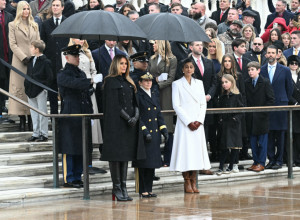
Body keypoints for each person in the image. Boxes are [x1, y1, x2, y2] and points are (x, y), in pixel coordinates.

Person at [57, 44, 102, 188]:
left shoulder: (81, 73)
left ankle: (77, 176)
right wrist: (90, 81)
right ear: (67, 57)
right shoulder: (63, 74)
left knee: (80, 147)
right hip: (70, 114)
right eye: (74, 56)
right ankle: (68, 178)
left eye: (78, 56)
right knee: (69, 147)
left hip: (83, 112)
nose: (77, 58)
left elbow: (86, 92)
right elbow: (74, 84)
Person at [101, 54, 145, 201]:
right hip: (116, 125)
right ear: (115, 65)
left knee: (125, 157)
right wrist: (128, 117)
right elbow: (114, 105)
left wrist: (136, 116)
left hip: (129, 125)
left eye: (126, 64)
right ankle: (117, 187)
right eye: (121, 64)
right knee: (116, 157)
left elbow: (135, 102)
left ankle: (124, 186)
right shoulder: (110, 81)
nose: (124, 66)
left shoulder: (129, 81)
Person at [170, 58, 210, 193]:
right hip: (184, 124)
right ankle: (187, 180)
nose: (188, 69)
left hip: (198, 123)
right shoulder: (177, 84)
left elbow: (203, 103)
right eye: (186, 67)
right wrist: (188, 122)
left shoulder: (199, 83)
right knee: (186, 152)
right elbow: (176, 105)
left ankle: (194, 180)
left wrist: (199, 120)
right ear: (182, 69)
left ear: (194, 69)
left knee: (196, 153)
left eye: (191, 67)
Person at [133, 72, 168, 198]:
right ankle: (143, 189)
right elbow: (138, 116)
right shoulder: (138, 95)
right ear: (140, 82)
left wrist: (163, 129)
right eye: (145, 81)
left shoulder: (153, 93)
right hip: (144, 133)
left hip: (155, 132)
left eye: (150, 81)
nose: (148, 83)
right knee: (144, 164)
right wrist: (144, 131)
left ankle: (149, 188)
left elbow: (158, 113)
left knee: (152, 163)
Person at [8, 1, 40, 131]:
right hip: (19, 62)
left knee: (31, 90)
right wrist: (23, 57)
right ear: (20, 10)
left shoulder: (35, 25)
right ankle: (22, 120)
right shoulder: (12, 25)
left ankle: (31, 120)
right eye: (24, 9)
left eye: (28, 9)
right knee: (19, 90)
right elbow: (13, 44)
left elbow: (38, 41)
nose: (27, 11)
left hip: (33, 61)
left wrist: (35, 55)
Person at [260, 45, 293, 170]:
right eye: (269, 53)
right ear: (266, 54)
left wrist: (283, 100)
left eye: (273, 53)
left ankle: (279, 160)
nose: (271, 55)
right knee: (269, 134)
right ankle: (271, 159)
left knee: (280, 134)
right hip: (267, 106)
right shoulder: (262, 70)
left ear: (278, 54)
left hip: (281, 106)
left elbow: (289, 89)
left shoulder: (285, 70)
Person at [148, 40, 177, 167]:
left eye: (154, 43)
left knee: (168, 125)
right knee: (154, 123)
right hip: (153, 91)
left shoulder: (172, 59)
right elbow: (148, 74)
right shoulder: (152, 58)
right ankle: (156, 158)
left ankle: (168, 158)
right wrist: (155, 82)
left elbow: (171, 78)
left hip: (166, 93)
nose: (152, 45)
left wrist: (157, 83)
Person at [245, 61, 275, 172]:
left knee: (262, 142)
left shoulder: (265, 82)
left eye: (252, 69)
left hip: (262, 117)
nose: (250, 72)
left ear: (258, 70)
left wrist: (263, 111)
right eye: (248, 70)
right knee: (253, 143)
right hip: (251, 116)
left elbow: (271, 99)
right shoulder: (247, 82)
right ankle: (255, 161)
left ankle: (261, 163)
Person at [40, 0, 69, 115]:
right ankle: (53, 118)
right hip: (51, 64)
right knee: (52, 94)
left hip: (65, 64)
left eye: (57, 5)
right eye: (53, 5)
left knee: (65, 94)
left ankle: (64, 118)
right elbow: (43, 43)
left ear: (62, 7)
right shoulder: (45, 24)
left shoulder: (68, 22)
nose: (55, 8)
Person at [216, 74, 243, 175]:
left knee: (234, 146)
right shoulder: (222, 96)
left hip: (234, 124)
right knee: (224, 146)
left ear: (232, 82)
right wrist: (220, 120)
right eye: (222, 82)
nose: (224, 84)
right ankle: (221, 165)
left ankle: (232, 165)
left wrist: (235, 118)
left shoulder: (237, 95)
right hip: (224, 124)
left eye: (226, 82)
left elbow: (241, 110)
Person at [25, 40, 52, 142]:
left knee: (42, 112)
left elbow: (49, 77)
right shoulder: (31, 61)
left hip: (40, 90)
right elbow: (28, 74)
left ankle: (44, 134)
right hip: (30, 90)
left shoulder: (46, 62)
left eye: (32, 47)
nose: (30, 49)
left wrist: (43, 86)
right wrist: (26, 84)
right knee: (34, 113)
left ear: (37, 49)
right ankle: (35, 133)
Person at [0, 0, 14, 124]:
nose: (5, 2)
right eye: (2, 0)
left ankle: (2, 105)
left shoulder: (9, 16)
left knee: (4, 83)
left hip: (7, 56)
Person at [287, 55, 300, 166]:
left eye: (296, 63)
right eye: (292, 63)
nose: (294, 65)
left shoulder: (299, 75)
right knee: (292, 136)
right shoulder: (287, 75)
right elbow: (286, 91)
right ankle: (291, 159)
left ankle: (298, 159)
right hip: (292, 108)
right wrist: (295, 102)